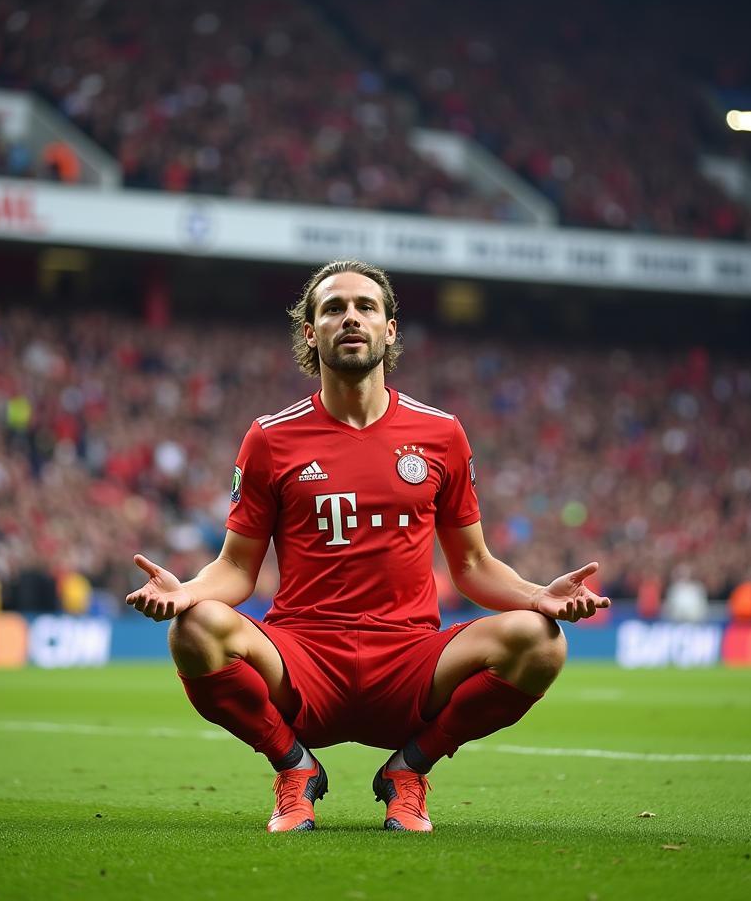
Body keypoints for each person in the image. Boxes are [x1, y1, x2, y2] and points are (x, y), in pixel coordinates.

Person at [126, 259, 609, 833]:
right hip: (303, 659)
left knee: (541, 643)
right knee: (195, 630)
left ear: (390, 328)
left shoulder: (441, 433)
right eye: (333, 308)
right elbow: (236, 568)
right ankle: (293, 766)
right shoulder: (270, 437)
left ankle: (411, 768)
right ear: (311, 332)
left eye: (365, 307)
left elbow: (474, 565)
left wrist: (537, 597)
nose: (350, 318)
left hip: (410, 661)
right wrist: (187, 594)